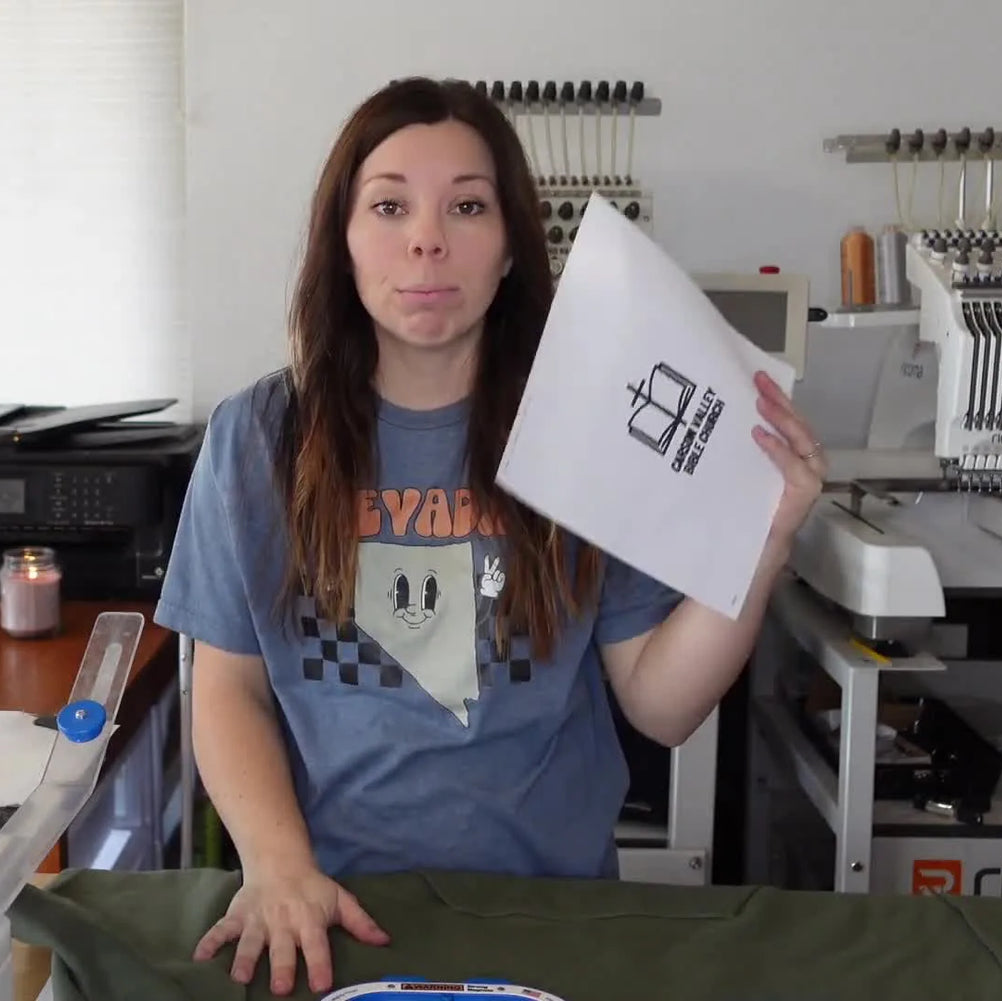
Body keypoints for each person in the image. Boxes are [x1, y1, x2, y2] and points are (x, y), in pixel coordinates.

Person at [153, 76, 827, 997]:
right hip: (333, 912)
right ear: (341, 239)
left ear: (511, 244)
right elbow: (228, 688)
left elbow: (661, 704)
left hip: (551, 917)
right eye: (389, 206)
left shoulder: (589, 430)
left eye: (467, 206)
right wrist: (276, 866)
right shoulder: (259, 437)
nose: (426, 238)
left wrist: (763, 542)